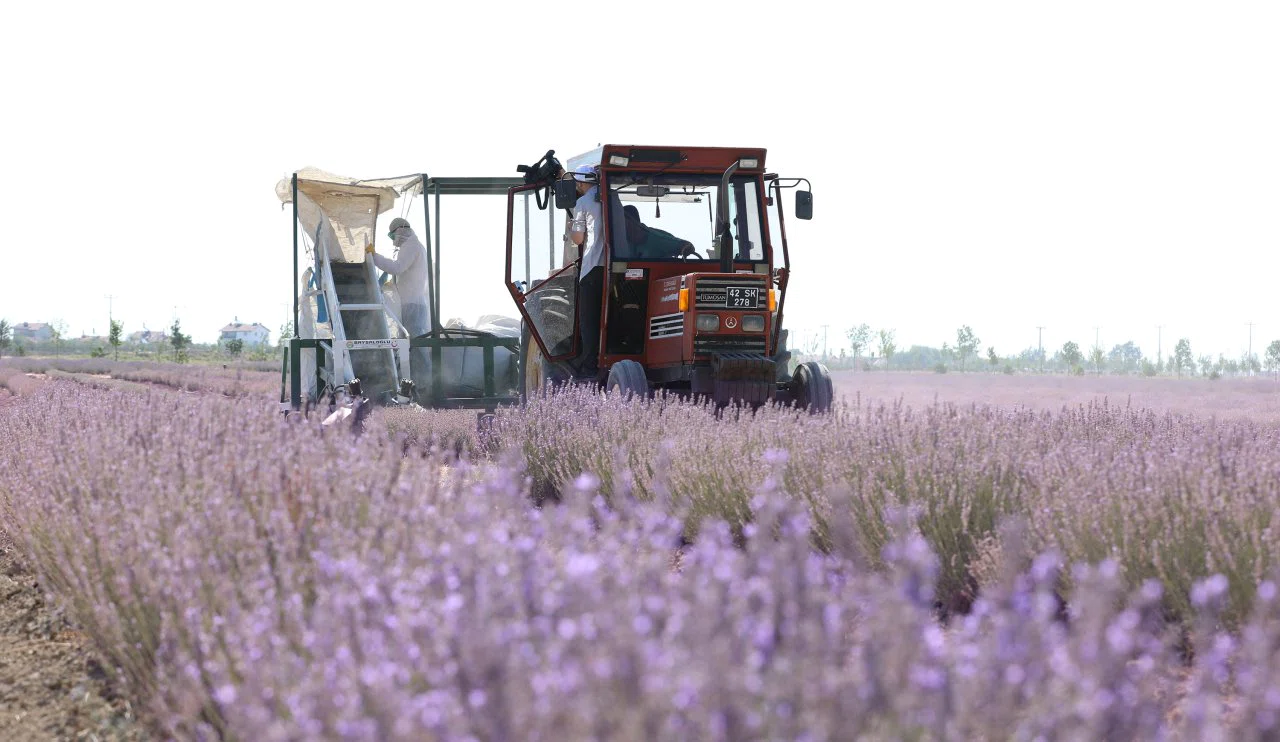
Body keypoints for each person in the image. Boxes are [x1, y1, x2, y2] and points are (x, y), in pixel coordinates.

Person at [366, 217, 431, 337]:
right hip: (414, 303)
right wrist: (393, 284)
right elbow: (409, 273)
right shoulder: (417, 246)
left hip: (411, 305)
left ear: (400, 230)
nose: (393, 240)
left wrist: (374, 256)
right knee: (408, 342)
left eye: (392, 236)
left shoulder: (411, 246)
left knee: (412, 343)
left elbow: (397, 268)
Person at [568, 165, 606, 374]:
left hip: (592, 268)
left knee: (588, 320)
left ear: (582, 183)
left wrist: (571, 227)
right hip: (612, 268)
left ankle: (590, 364)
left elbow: (578, 239)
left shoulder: (582, 203)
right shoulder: (611, 198)